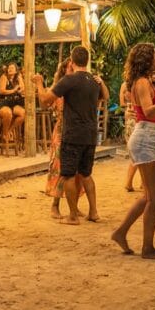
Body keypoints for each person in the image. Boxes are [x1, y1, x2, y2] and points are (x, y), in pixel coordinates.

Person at [33, 46, 108, 225]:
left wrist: (38, 83)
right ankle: (94, 212)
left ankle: (73, 216)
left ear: (72, 62)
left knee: (67, 175)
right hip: (90, 134)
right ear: (87, 61)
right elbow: (105, 97)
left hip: (72, 134)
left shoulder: (69, 80)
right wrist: (102, 83)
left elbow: (44, 100)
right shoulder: (94, 81)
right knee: (86, 174)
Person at [111, 43, 155, 259]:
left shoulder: (145, 82)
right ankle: (147, 247)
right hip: (145, 136)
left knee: (153, 194)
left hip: (149, 134)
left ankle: (122, 232)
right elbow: (149, 110)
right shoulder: (143, 82)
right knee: (153, 196)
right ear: (146, 59)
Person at [44, 61, 77, 218]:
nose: (70, 70)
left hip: (74, 131)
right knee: (59, 168)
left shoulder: (77, 86)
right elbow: (45, 103)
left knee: (75, 170)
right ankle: (55, 205)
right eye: (68, 68)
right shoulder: (58, 89)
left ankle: (73, 206)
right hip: (62, 131)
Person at [0, 62, 25, 144]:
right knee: (8, 113)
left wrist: (20, 81)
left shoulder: (18, 77)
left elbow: (23, 89)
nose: (10, 69)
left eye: (12, 68)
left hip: (15, 102)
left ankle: (9, 131)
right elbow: (1, 91)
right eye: (9, 67)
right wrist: (13, 90)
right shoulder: (4, 77)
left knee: (23, 113)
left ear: (16, 71)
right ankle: (5, 133)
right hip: (4, 102)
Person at [119, 80, 139, 192]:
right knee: (137, 152)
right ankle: (129, 182)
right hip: (133, 116)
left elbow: (122, 103)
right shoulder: (130, 84)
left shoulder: (126, 85)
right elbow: (122, 103)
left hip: (131, 115)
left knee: (137, 152)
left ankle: (141, 182)